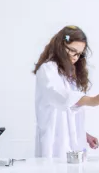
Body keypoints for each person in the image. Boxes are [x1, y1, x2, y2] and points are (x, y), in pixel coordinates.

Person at [33, 25, 99, 158]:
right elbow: (61, 98)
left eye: (79, 54)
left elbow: (67, 114)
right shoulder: (47, 69)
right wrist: (92, 101)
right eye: (73, 51)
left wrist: (83, 134)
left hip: (71, 146)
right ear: (60, 46)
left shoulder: (68, 74)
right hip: (54, 145)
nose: (76, 57)